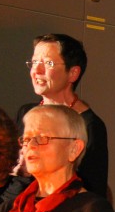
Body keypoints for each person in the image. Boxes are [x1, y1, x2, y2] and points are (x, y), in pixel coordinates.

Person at [13, 33, 109, 198]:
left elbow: (93, 193)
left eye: (48, 63)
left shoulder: (89, 125)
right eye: (34, 62)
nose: (37, 71)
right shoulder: (26, 112)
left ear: (73, 73)